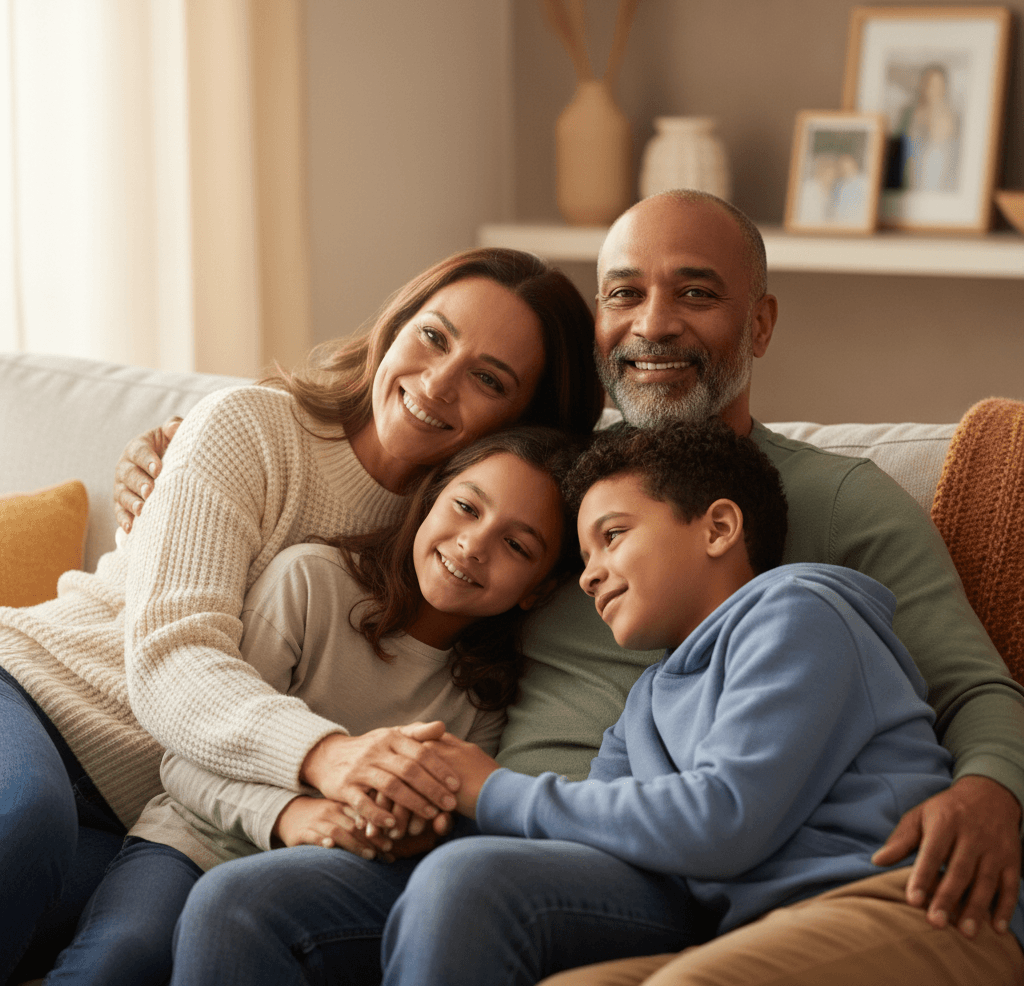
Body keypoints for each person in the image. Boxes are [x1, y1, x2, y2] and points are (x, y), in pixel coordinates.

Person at [118, 192, 1024, 982]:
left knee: (465, 888)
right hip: (488, 825)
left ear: (760, 324)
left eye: (696, 292)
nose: (653, 322)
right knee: (243, 905)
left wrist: (993, 792)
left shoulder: (834, 505)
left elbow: (974, 686)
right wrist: (178, 461)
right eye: (624, 292)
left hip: (638, 856)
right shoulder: (557, 475)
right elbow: (419, 508)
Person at [0, 246, 603, 982]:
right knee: (24, 822)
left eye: (488, 378)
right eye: (434, 336)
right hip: (36, 692)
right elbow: (171, 656)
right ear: (396, 324)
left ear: (524, 420)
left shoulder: (458, 545)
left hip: (147, 805)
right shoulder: (251, 426)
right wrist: (328, 757)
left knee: (120, 953)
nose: (439, 384)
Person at [379, 419, 1024, 986]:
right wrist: (436, 803)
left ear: (718, 527)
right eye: (582, 556)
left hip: (913, 905)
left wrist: (488, 788)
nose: (588, 574)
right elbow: (599, 836)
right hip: (765, 929)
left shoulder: (797, 613)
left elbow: (723, 817)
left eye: (613, 535)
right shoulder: (648, 701)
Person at [43, 426, 583, 986]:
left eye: (517, 546)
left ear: (538, 590)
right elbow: (185, 761)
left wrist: (411, 829)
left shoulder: (487, 694)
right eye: (467, 507)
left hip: (319, 883)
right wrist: (290, 816)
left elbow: (440, 819)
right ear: (430, 499)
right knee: (124, 956)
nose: (474, 544)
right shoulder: (311, 582)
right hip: (197, 839)